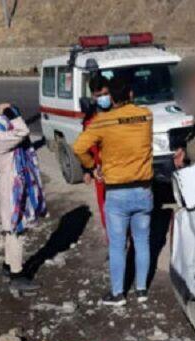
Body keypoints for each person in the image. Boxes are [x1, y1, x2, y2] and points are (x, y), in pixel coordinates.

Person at [73, 76, 154, 306]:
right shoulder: (146, 115)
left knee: (118, 246)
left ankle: (118, 294)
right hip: (144, 190)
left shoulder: (101, 122)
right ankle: (141, 291)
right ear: (130, 94)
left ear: (111, 97)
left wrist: (91, 166)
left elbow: (78, 147)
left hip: (117, 192)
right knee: (142, 242)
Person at [0, 103, 47, 293]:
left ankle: (8, 265)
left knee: (11, 230)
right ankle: (17, 275)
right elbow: (23, 129)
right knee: (16, 231)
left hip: (13, 185)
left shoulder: (0, 136)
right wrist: (11, 112)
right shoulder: (1, 138)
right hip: (12, 188)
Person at [83, 75, 112, 240]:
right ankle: (114, 245)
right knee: (105, 209)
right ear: (93, 96)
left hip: (120, 169)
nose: (103, 99)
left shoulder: (118, 112)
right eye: (98, 95)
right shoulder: (90, 118)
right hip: (100, 172)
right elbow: (84, 146)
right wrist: (88, 169)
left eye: (105, 94)